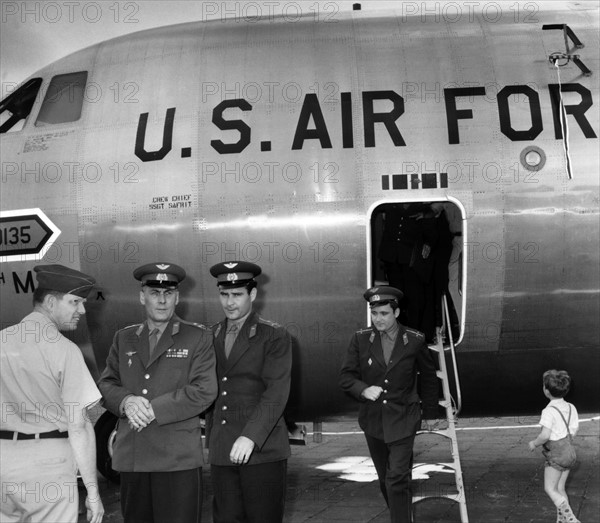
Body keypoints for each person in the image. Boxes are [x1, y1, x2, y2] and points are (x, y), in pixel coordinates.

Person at [98, 262, 217, 523]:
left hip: (176, 461)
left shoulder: (197, 337)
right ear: (142, 297)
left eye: (169, 293)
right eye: (154, 293)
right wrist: (126, 401)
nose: (162, 301)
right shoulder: (124, 338)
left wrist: (154, 409)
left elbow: (205, 390)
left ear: (178, 296)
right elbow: (106, 385)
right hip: (133, 458)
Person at [0, 264, 104, 523]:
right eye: (75, 302)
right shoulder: (64, 350)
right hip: (48, 467)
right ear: (49, 301)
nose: (82, 310)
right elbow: (78, 427)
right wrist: (92, 491)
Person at [339, 286, 439, 523]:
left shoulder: (414, 340)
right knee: (385, 479)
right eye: (374, 313)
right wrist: (363, 389)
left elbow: (428, 376)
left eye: (384, 313)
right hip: (373, 420)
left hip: (404, 417)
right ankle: (402, 514)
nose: (378, 319)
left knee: (397, 478)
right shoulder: (361, 339)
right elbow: (345, 377)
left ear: (396, 312)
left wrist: (432, 413)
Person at [206, 261, 292, 523]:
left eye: (237, 295)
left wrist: (250, 437)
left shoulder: (274, 335)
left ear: (253, 294)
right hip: (222, 448)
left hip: (261, 450)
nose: (229, 302)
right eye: (224, 294)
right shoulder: (212, 334)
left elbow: (276, 393)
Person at [376, 202, 438, 341]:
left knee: (414, 300)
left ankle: (413, 335)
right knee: (396, 300)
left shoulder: (422, 209)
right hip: (393, 259)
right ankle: (397, 335)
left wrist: (428, 244)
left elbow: (432, 232)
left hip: (412, 262)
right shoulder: (390, 204)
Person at [528, 370, 580, 523]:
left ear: (546, 390)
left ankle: (571, 520)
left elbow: (545, 435)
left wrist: (534, 443)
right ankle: (561, 520)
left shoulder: (548, 411)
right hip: (569, 452)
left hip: (556, 455)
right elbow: (574, 430)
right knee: (560, 489)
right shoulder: (571, 407)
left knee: (550, 489)